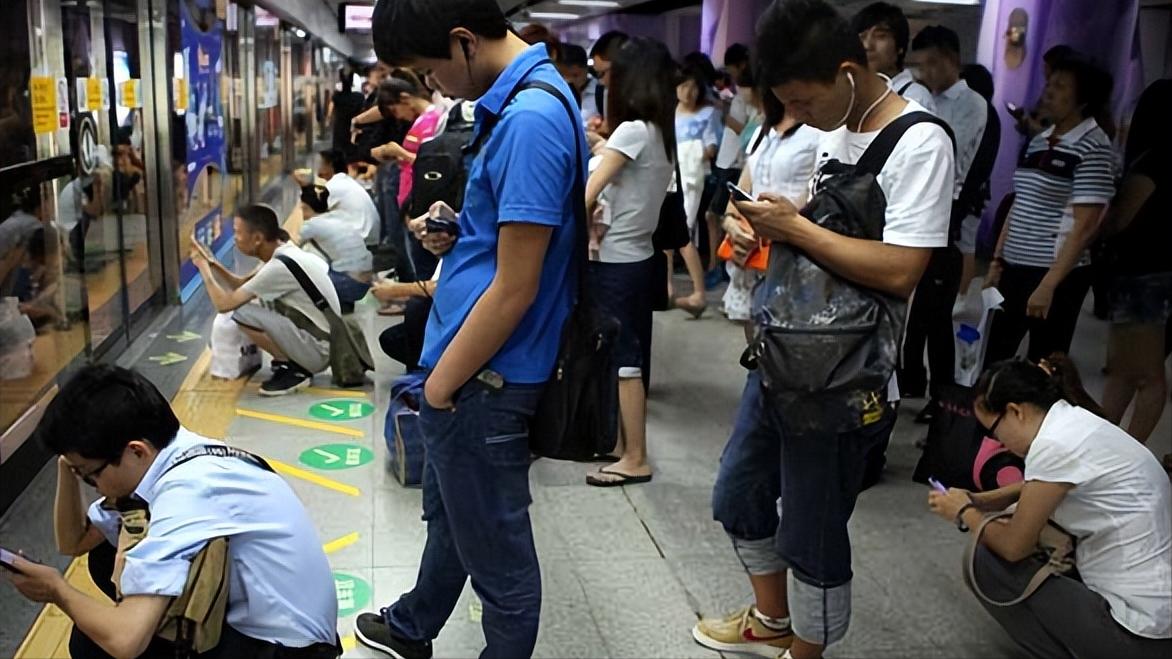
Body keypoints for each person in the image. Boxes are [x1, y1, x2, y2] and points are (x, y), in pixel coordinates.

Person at [693, 2, 955, 658]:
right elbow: (824, 229)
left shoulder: (921, 140)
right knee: (738, 492)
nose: (802, 118)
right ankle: (772, 618)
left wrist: (798, 228)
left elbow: (901, 270)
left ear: (846, 72)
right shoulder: (839, 128)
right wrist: (769, 221)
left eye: (805, 102)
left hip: (849, 370)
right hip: (787, 347)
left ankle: (806, 650)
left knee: (812, 530)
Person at [356, 1, 586, 658]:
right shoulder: (526, 101)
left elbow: (516, 286)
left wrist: (439, 388)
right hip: (470, 368)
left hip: (484, 376)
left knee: (502, 564)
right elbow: (511, 242)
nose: (432, 85)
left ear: (462, 42)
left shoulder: (531, 119)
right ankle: (412, 624)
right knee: (457, 516)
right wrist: (460, 228)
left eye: (429, 69)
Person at [2, 364, 340, 659]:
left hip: (287, 650)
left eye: (92, 474)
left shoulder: (187, 494)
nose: (93, 485)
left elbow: (125, 641)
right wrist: (70, 466)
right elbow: (74, 541)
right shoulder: (180, 450)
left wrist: (57, 591)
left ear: (135, 451)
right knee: (104, 555)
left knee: (92, 644)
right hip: (275, 625)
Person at [928, 358, 1172, 659]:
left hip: (1135, 630)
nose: (996, 441)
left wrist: (966, 514)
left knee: (986, 560)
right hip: (1159, 615)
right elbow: (1045, 485)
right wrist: (984, 500)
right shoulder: (1074, 422)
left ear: (1016, 411)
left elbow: (1014, 547)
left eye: (992, 430)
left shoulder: (1052, 446)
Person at [579, 37, 677, 488]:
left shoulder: (632, 130)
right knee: (629, 354)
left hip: (614, 261)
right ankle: (625, 446)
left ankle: (635, 455)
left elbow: (588, 195)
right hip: (639, 257)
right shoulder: (658, 132)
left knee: (623, 359)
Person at [984, 57, 1114, 365]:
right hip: (1015, 266)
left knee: (1044, 362)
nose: (1049, 92)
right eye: (1049, 84)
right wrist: (997, 260)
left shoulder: (1094, 146)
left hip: (1054, 272)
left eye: (1060, 86)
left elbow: (1085, 226)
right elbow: (1019, 202)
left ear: (1083, 99)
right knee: (994, 356)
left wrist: (1048, 285)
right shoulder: (1040, 139)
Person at [899, 25, 990, 409]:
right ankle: (916, 387)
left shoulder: (972, 104)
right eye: (919, 66)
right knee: (917, 316)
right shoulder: (924, 96)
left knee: (936, 319)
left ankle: (944, 400)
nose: (926, 73)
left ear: (953, 60)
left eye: (932, 64)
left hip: (946, 218)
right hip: (919, 211)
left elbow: (953, 161)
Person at [191, 204, 341, 396]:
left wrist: (203, 269)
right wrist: (211, 263)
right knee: (249, 304)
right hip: (320, 339)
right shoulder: (281, 252)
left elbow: (224, 305)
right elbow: (240, 284)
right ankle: (292, 360)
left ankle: (295, 369)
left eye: (237, 233)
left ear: (258, 239)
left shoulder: (278, 267)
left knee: (240, 312)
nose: (235, 238)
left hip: (318, 351)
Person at [1100, 79, 1172, 445]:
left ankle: (1128, 451)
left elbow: (1120, 220)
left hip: (1143, 274)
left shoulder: (1152, 162)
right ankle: (1113, 444)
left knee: (1141, 372)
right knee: (1129, 369)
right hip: (1156, 272)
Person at [719, 88, 821, 344]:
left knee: (787, 346)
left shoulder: (819, 131)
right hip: (753, 252)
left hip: (795, 251)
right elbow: (740, 194)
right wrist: (733, 226)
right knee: (755, 346)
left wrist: (775, 223)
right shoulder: (763, 131)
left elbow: (815, 193)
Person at [672, 64, 720, 318]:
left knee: (681, 231)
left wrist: (693, 154)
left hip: (692, 175)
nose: (688, 92)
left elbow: (713, 145)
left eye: (693, 86)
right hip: (671, 174)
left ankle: (698, 292)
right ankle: (669, 286)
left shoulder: (708, 113)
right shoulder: (672, 112)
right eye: (683, 86)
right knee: (669, 236)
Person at [705, 43, 754, 288]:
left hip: (736, 163)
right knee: (717, 216)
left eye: (732, 68)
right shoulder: (737, 95)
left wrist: (724, 115)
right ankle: (719, 265)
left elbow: (747, 131)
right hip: (727, 161)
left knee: (717, 215)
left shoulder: (748, 98)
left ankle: (718, 266)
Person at [297, 185, 373, 312]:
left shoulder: (311, 226)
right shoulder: (339, 216)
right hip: (365, 281)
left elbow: (289, 249)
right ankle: (344, 303)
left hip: (348, 283)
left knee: (301, 275)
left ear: (305, 207)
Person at [851, 1, 936, 113]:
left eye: (880, 36)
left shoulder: (914, 97)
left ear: (900, 46)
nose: (867, 45)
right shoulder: (852, 92)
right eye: (862, 37)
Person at [303, 149, 381, 246]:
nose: (316, 166)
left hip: (362, 239)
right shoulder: (344, 180)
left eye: (320, 163)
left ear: (330, 166)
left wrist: (304, 186)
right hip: (368, 236)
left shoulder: (334, 185)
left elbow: (314, 211)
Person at [586, 31, 629, 128]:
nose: (601, 81)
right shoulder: (601, 92)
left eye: (603, 73)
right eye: (597, 74)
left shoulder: (641, 100)